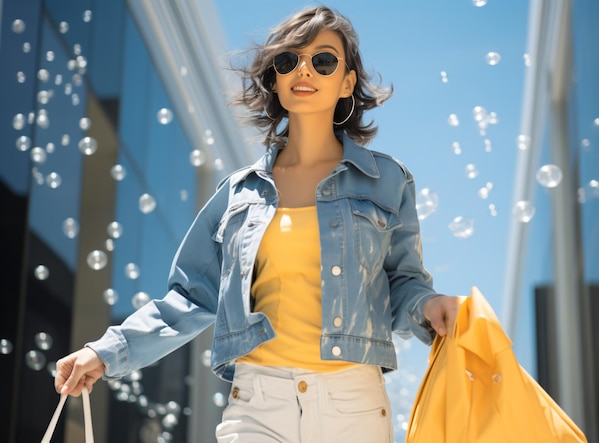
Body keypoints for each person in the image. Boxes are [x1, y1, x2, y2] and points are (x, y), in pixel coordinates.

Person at [55, 5, 460, 442]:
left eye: (322, 60)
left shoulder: (387, 181)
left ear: (347, 82)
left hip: (353, 404)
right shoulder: (237, 193)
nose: (304, 70)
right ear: (276, 79)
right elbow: (190, 298)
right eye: (289, 61)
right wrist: (107, 351)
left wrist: (428, 305)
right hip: (257, 404)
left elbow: (403, 283)